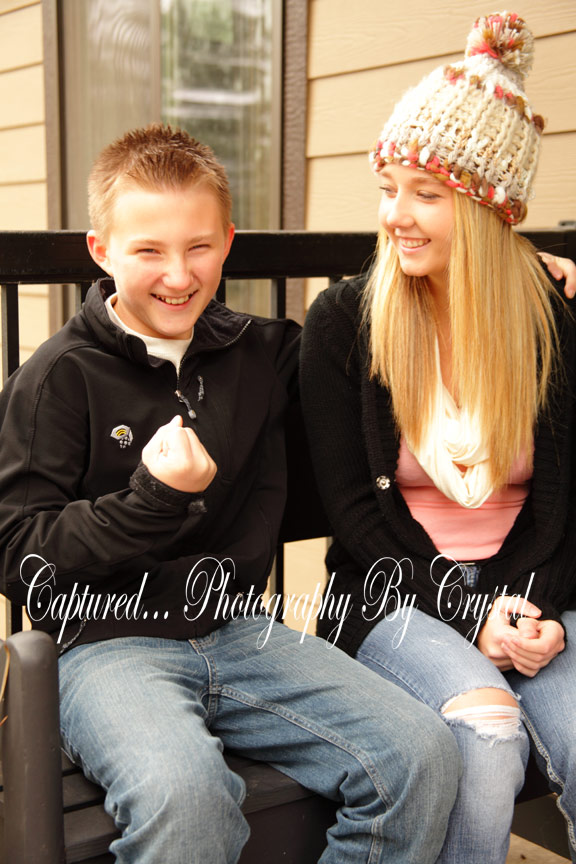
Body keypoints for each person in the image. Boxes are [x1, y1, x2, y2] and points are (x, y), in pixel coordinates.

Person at [0, 124, 461, 864]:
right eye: (148, 251)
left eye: (199, 247)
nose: (178, 275)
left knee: (419, 753)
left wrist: (514, 270)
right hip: (105, 648)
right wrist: (151, 500)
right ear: (101, 250)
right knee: (188, 799)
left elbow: (379, 329)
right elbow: (20, 554)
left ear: (229, 242)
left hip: (243, 632)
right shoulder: (59, 377)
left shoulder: (266, 352)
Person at [301, 12, 576, 864]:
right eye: (389, 188)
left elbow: (567, 501)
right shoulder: (346, 320)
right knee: (488, 735)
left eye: (426, 193)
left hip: (528, 592)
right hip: (394, 596)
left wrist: (534, 612)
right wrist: (467, 612)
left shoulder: (548, 322)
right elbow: (357, 516)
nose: (396, 216)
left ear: (489, 211)